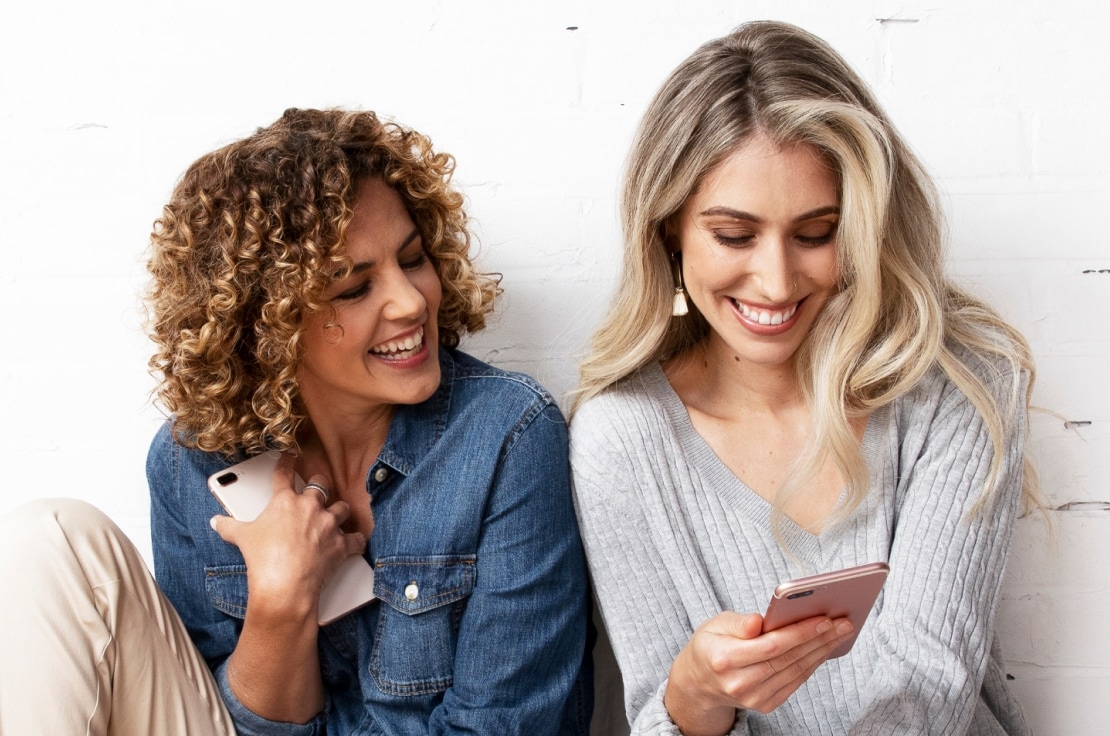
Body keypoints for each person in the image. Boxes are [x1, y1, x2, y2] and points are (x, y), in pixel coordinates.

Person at [0, 108, 590, 735]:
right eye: (353, 289)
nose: (412, 301)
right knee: (51, 536)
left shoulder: (508, 435)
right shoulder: (190, 462)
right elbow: (210, 715)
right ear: (270, 324)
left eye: (413, 259)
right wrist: (281, 600)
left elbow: (507, 726)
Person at [570, 21, 1036, 736]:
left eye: (815, 233)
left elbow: (926, 697)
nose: (777, 280)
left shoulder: (957, 388)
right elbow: (652, 718)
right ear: (669, 228)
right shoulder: (621, 437)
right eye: (734, 235)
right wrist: (693, 695)